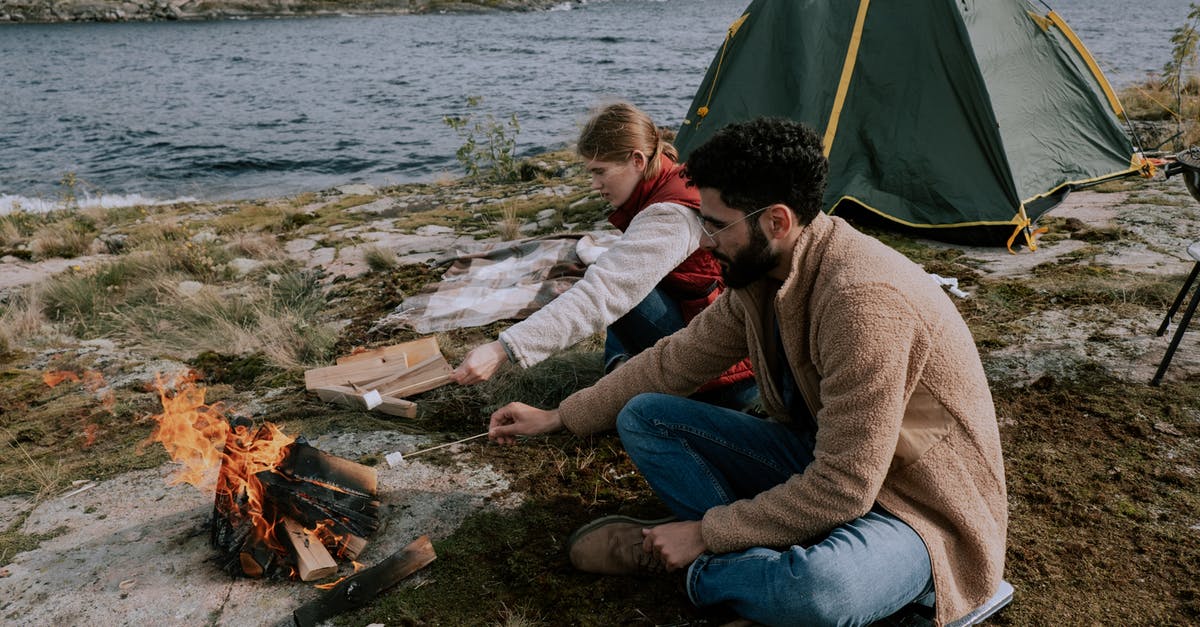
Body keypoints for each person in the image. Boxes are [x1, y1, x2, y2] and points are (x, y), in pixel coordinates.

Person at [485, 118, 1007, 626]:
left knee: (821, 589)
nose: (704, 241)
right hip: (826, 461)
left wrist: (706, 535)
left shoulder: (862, 301)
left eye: (714, 224)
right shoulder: (765, 275)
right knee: (644, 416)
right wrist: (559, 416)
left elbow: (846, 489)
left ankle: (710, 568)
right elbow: (674, 361)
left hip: (919, 507)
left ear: (775, 221)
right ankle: (756, 560)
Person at [451, 101, 754, 409]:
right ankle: (623, 370)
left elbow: (603, 293)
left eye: (600, 172)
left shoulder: (671, 214)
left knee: (611, 283)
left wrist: (502, 350)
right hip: (716, 336)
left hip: (725, 375)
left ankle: (633, 382)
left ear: (637, 160)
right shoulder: (671, 181)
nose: (595, 185)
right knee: (616, 270)